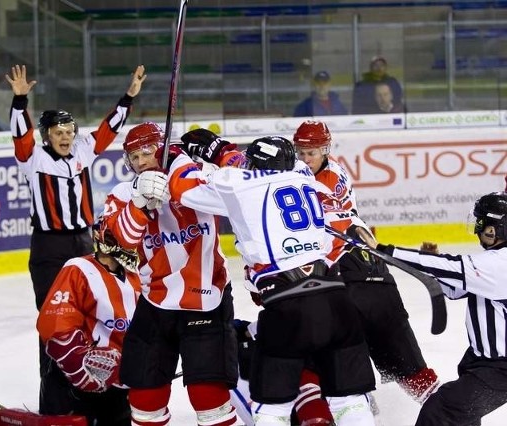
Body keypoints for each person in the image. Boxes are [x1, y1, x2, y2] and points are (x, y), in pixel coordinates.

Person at [169, 134, 377, 425]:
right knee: (350, 400)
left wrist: (178, 156)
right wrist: (221, 150)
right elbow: (250, 165)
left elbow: (182, 186)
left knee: (272, 407)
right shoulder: (302, 173)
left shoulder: (237, 185)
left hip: (286, 304)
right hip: (334, 298)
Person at [4, 63, 146, 415]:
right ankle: (54, 400)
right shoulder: (32, 158)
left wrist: (128, 97)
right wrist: (20, 100)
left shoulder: (83, 151)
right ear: (47, 135)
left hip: (84, 243)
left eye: (69, 130)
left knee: (92, 314)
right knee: (56, 321)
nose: (66, 137)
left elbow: (108, 129)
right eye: (58, 131)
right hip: (49, 248)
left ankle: (95, 390)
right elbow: (20, 136)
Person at [292, 120, 440, 404]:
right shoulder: (319, 170)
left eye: (310, 153)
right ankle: (369, 401)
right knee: (393, 355)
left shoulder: (329, 178)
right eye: (300, 152)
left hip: (348, 269)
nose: (305, 159)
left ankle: (442, 409)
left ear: (325, 149)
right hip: (368, 266)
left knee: (361, 353)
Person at [102, 122, 239, 426]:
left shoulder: (194, 176)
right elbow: (118, 240)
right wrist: (139, 204)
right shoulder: (124, 192)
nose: (140, 162)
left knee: (209, 398)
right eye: (133, 157)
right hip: (156, 301)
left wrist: (187, 161)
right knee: (144, 398)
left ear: (163, 149)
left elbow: (240, 190)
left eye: (147, 153)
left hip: (207, 298)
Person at [355, 191, 507, 425]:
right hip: (481, 364)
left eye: (481, 223)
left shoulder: (499, 264)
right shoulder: (494, 262)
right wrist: (432, 264)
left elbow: (455, 268)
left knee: (440, 409)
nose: (477, 229)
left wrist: (384, 250)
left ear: (494, 229)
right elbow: (455, 288)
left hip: (499, 371)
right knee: (461, 415)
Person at [34, 216, 141, 425]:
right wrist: (78, 364)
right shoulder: (78, 269)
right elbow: (55, 327)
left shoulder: (139, 276)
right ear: (107, 240)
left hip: (118, 388)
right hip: (72, 386)